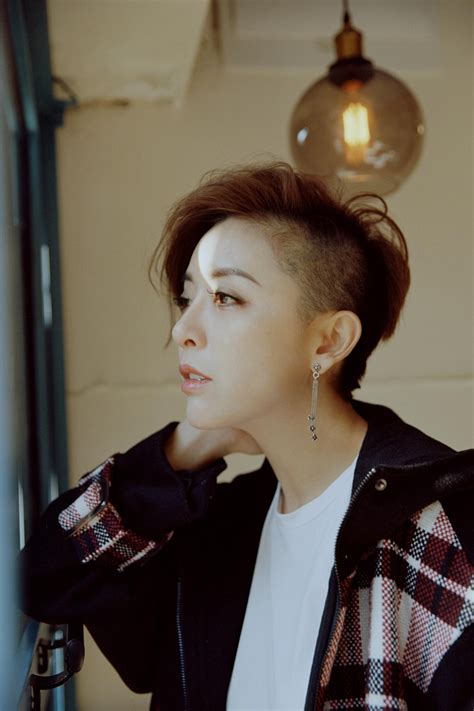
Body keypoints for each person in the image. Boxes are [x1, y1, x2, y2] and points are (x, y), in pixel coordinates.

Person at [20, 162, 474, 711]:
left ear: (329, 341)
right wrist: (180, 453)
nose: (182, 330)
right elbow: (47, 576)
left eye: (226, 298)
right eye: (186, 299)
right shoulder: (222, 530)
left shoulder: (441, 528)